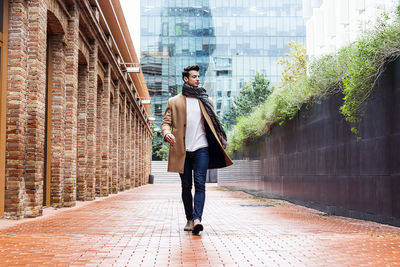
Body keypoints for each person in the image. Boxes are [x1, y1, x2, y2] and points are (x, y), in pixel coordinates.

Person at [161, 65, 233, 235]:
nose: (197, 79)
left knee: (200, 184)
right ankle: (189, 218)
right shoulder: (174, 101)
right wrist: (167, 134)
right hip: (182, 150)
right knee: (186, 186)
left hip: (202, 148)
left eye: (198, 76)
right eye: (194, 76)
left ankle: (197, 219)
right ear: (186, 79)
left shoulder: (207, 101)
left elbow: (214, 123)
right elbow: (165, 123)